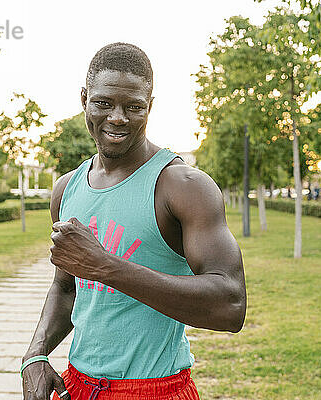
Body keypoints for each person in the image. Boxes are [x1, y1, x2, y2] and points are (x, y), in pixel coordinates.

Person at [21, 42, 247, 400]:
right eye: (103, 103)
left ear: (150, 107)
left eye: (133, 106)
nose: (117, 117)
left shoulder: (183, 186)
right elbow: (66, 288)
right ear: (84, 99)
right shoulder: (66, 189)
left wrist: (106, 267)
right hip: (79, 386)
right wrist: (35, 353)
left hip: (155, 390)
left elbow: (230, 306)